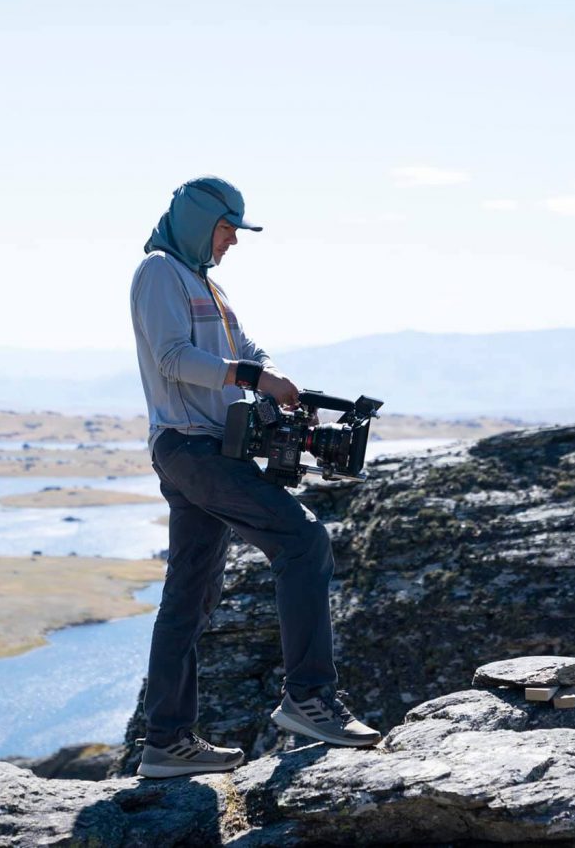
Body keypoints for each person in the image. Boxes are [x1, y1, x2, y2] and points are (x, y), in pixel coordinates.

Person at [129, 176, 381, 779]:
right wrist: (251, 377)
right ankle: (309, 700)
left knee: (189, 594)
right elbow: (172, 359)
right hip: (192, 449)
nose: (233, 242)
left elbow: (246, 349)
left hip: (210, 450)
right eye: (227, 229)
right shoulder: (159, 273)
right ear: (198, 222)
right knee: (303, 541)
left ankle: (166, 743)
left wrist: (278, 379)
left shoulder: (205, 286)